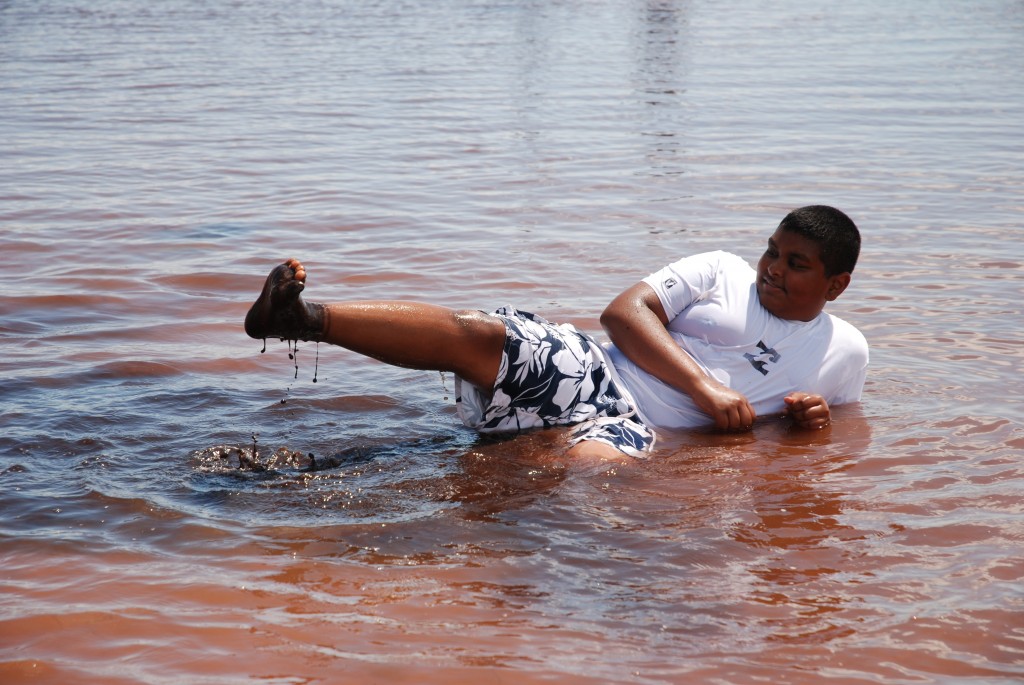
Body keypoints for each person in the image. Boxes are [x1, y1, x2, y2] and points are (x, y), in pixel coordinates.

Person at [244, 205, 868, 460]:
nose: (773, 268)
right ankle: (305, 319)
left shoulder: (844, 351)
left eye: (796, 264)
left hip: (639, 432)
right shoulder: (722, 270)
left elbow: (834, 427)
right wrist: (704, 388)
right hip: (594, 369)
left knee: (583, 485)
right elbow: (623, 314)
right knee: (479, 335)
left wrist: (810, 421)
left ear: (836, 285)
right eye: (772, 250)